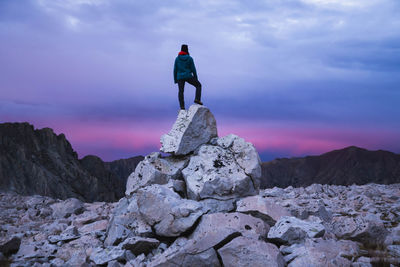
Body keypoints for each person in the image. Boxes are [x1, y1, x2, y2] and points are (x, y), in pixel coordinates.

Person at [173, 44, 203, 110]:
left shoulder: (177, 59)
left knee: (181, 91)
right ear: (187, 49)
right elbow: (193, 69)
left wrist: (175, 80)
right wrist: (196, 78)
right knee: (198, 85)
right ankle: (197, 99)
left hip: (180, 77)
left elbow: (175, 69)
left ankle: (182, 107)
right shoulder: (189, 58)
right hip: (188, 76)